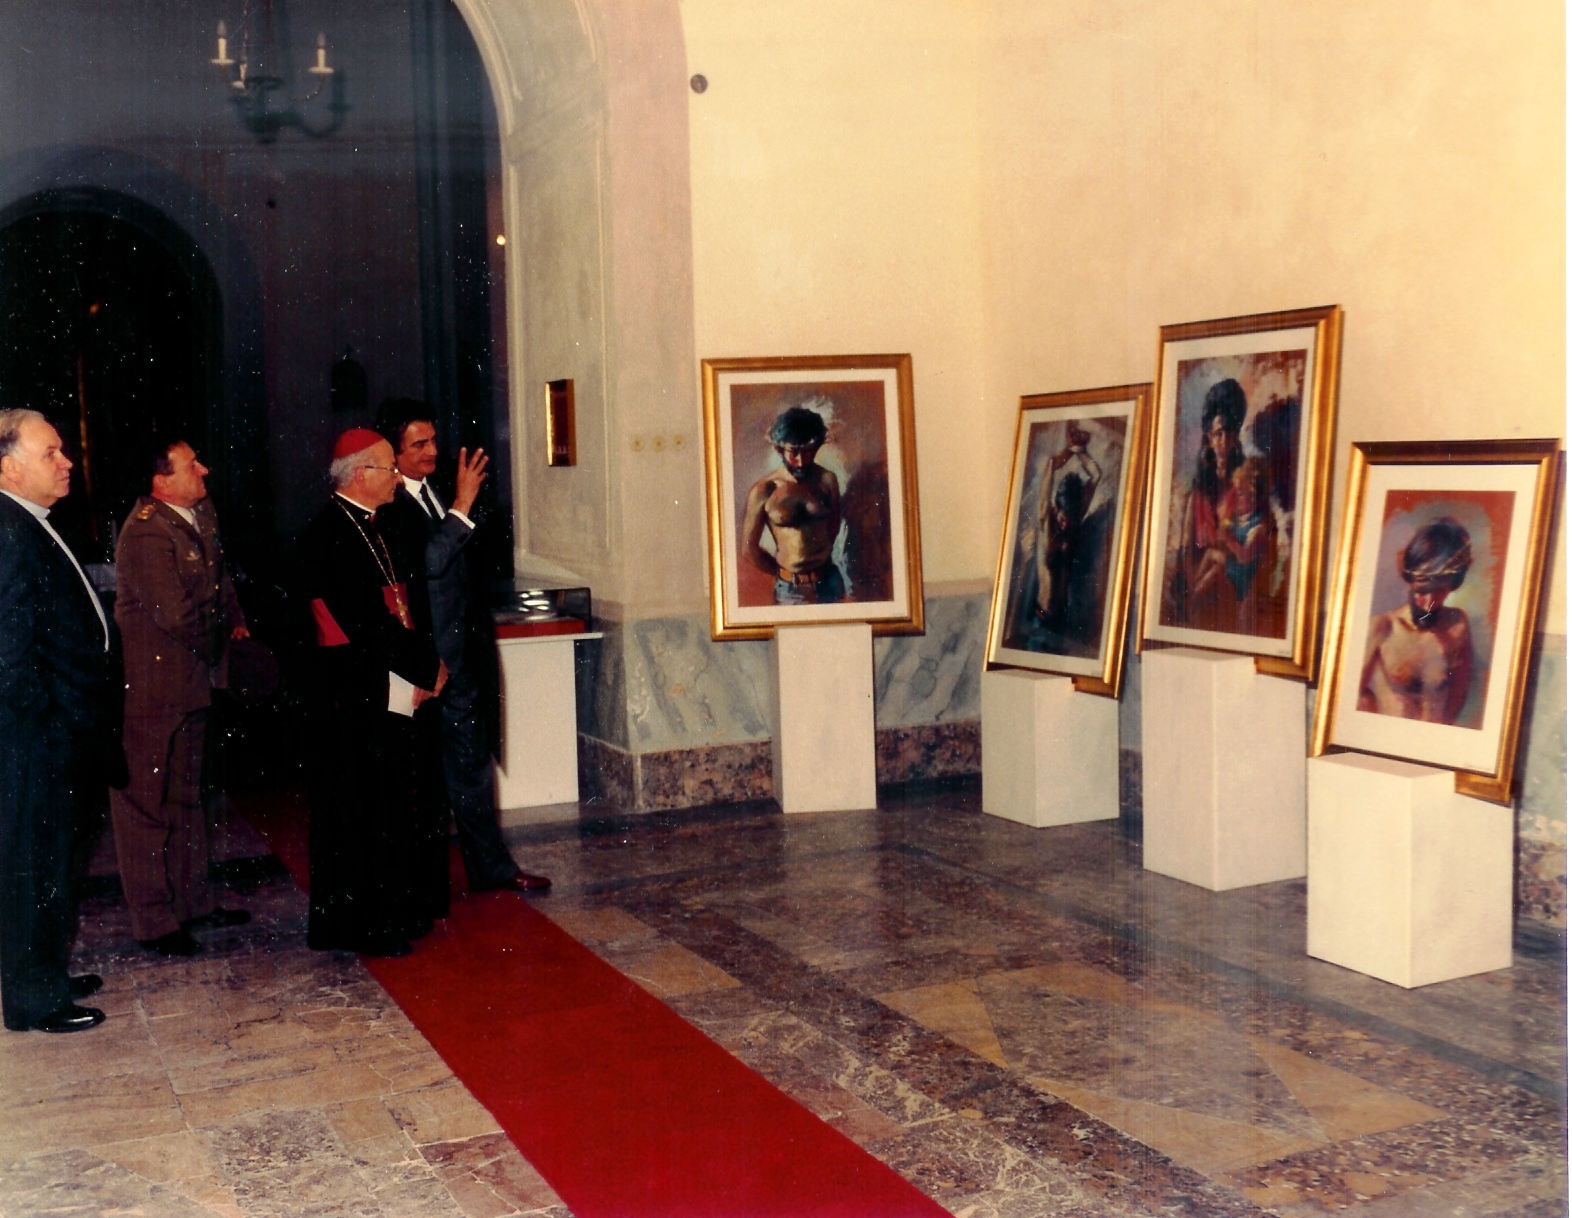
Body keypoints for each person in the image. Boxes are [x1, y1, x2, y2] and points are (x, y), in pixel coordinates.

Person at [374, 400, 550, 896]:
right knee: (422, 778)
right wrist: (464, 504)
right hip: (424, 663)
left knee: (472, 768)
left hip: (462, 658)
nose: (432, 452)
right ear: (393, 453)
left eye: (433, 440)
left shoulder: (434, 492)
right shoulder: (390, 504)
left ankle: (491, 868)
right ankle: (420, 885)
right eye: (419, 444)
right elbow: (430, 562)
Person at [298, 428, 445, 957]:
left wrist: (420, 666)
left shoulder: (373, 525)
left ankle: (389, 911)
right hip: (351, 689)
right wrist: (424, 667)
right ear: (361, 474)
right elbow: (365, 622)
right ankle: (365, 925)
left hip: (379, 677)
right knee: (361, 806)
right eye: (389, 469)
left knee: (384, 801)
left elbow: (401, 607)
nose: (397, 479)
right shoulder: (331, 534)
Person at [111, 437, 252, 957]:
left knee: (188, 796)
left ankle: (193, 903)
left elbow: (220, 581)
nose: (204, 470)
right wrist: (220, 648)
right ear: (161, 481)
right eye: (192, 465)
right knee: (144, 805)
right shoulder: (146, 531)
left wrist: (238, 625)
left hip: (192, 681)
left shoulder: (200, 512)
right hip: (152, 689)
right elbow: (177, 615)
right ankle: (154, 922)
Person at [0, 408, 112, 1032]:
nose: (67, 462)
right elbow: (9, 657)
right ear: (8, 467)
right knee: (32, 865)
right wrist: (49, 726)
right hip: (35, 740)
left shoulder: (27, 521)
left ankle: (44, 973)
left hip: (51, 734)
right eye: (50, 453)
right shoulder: (9, 529)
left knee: (49, 862)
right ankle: (34, 997)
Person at [1358, 517, 1475, 725]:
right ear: (1410, 581)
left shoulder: (1457, 626)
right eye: (1422, 591)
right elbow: (1353, 694)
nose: (1429, 603)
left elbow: (1459, 694)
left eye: (1439, 591)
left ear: (1453, 585)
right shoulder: (1382, 628)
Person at [741, 402, 845, 604]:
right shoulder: (765, 490)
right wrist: (786, 574)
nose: (801, 461)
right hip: (790, 591)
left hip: (830, 581)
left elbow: (833, 528)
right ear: (779, 449)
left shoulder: (827, 480)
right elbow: (749, 550)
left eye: (808, 451)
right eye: (793, 452)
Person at [1167, 378, 1247, 631]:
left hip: (1230, 599)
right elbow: (1187, 552)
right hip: (1197, 599)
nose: (1224, 441)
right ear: (1209, 438)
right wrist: (1194, 588)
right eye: (1218, 434)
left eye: (1230, 433)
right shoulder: (1198, 496)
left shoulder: (1243, 491)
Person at [1033, 423, 1102, 630]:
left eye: (1070, 520)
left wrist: (1080, 451)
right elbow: (1051, 465)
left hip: (1063, 620)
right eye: (1063, 518)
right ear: (1056, 508)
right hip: (1041, 618)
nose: (1066, 525)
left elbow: (1096, 475)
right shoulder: (1046, 522)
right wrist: (1070, 449)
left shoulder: (1073, 520)